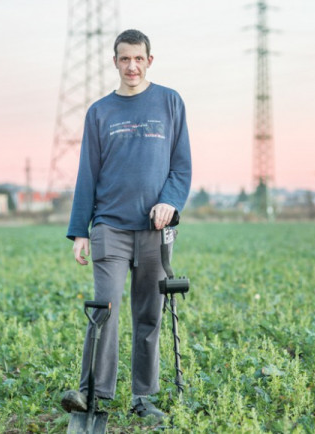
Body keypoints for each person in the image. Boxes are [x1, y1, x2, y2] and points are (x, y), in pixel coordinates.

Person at [60, 29, 192, 421]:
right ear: (114, 61)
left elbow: (181, 166)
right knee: (105, 309)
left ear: (149, 60)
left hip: (154, 232)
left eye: (138, 58)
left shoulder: (170, 102)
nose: (131, 66)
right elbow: (87, 173)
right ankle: (93, 394)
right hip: (109, 228)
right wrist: (80, 230)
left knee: (149, 314)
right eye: (124, 59)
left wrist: (170, 200)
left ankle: (143, 397)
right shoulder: (100, 112)